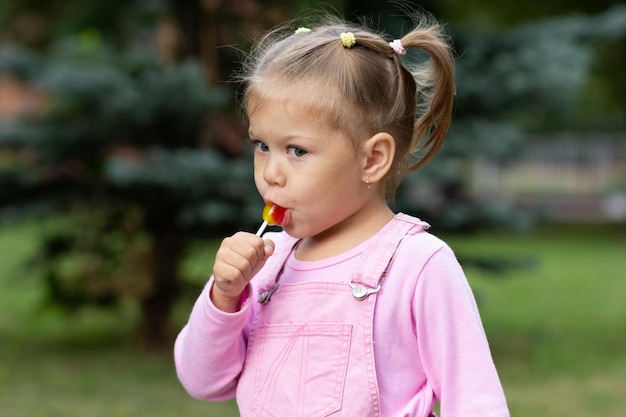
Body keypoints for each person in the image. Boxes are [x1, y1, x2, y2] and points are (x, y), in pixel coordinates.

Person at [174, 11, 510, 417]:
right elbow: (203, 382)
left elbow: (474, 399)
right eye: (262, 145)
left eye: (297, 151)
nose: (271, 173)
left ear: (373, 159)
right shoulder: (263, 266)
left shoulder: (417, 265)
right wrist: (224, 299)